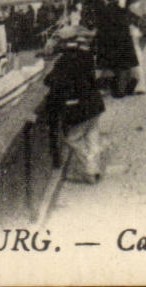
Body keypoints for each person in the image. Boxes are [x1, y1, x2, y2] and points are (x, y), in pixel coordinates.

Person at [45, 26, 105, 183]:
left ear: (63, 44)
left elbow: (51, 80)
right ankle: (93, 170)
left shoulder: (63, 62)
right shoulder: (86, 55)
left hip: (79, 107)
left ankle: (91, 169)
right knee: (93, 137)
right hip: (94, 103)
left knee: (73, 139)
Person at [94, 0, 140, 98]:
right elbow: (129, 21)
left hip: (108, 42)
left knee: (112, 65)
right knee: (123, 66)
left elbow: (100, 25)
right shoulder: (120, 9)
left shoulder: (103, 9)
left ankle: (117, 88)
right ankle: (123, 88)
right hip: (121, 41)